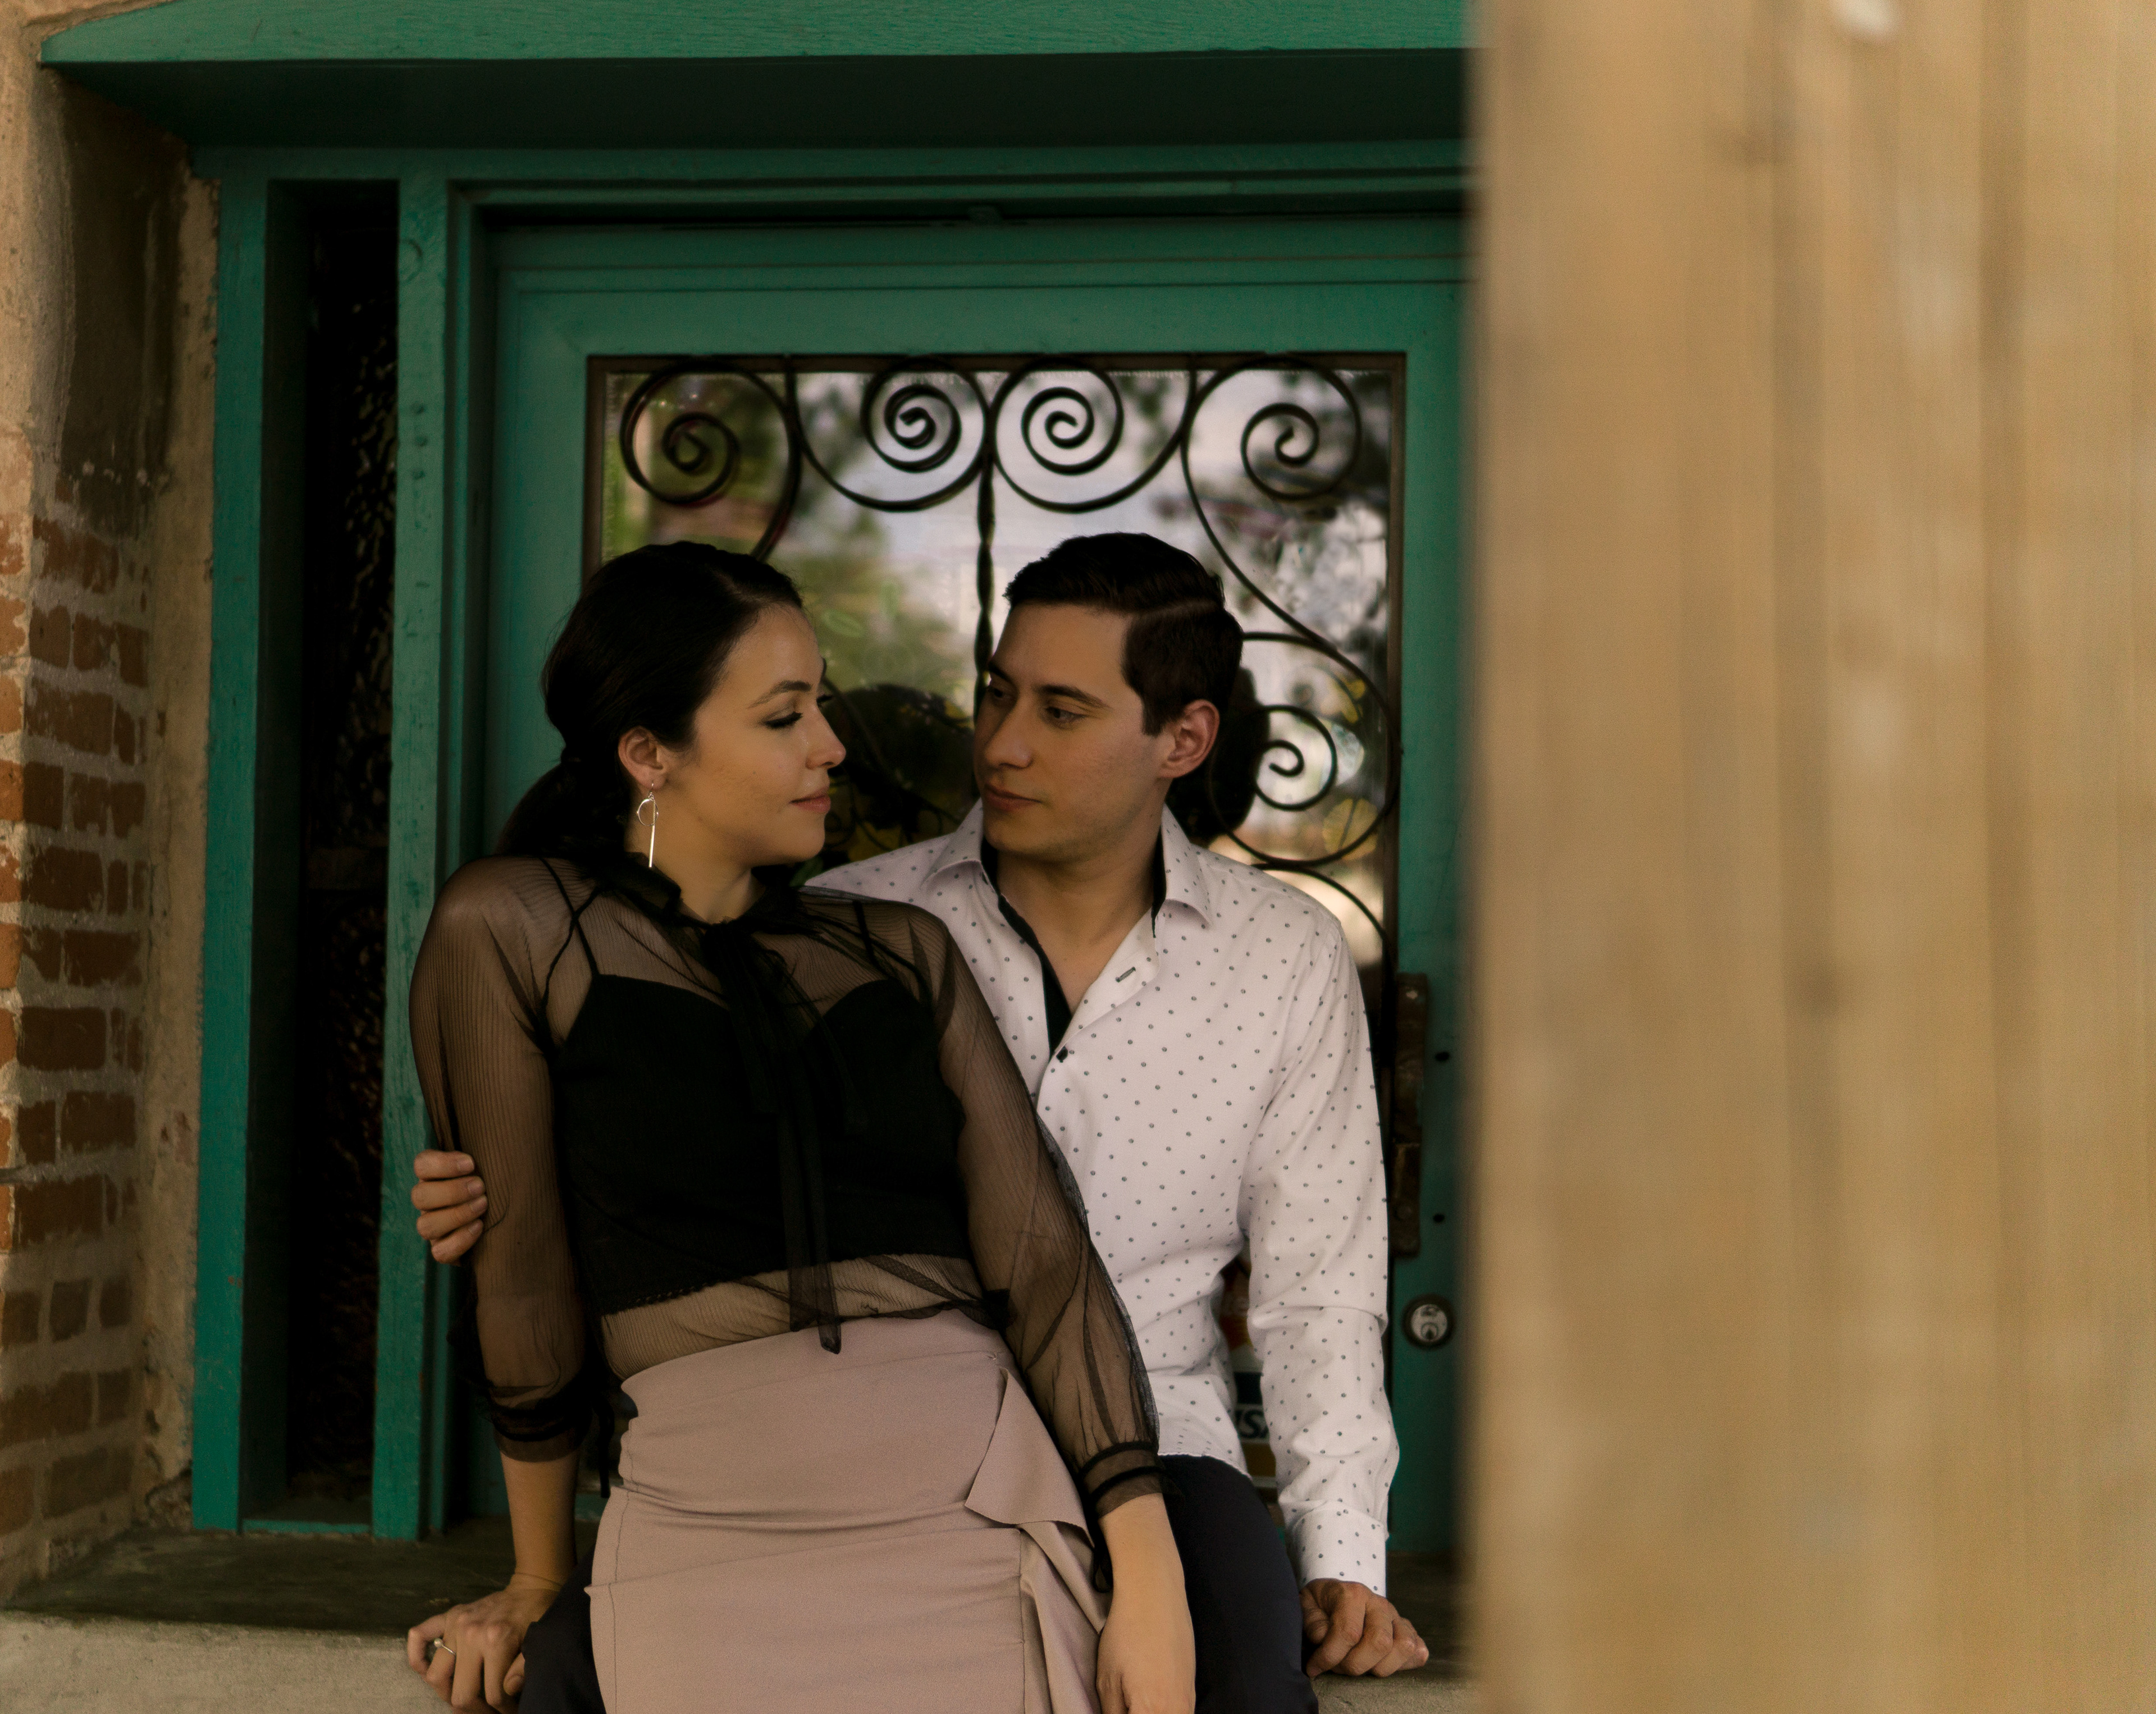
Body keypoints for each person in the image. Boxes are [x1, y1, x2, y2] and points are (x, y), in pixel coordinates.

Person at [415, 534, 1428, 1712]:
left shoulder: (1273, 954)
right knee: (567, 1677)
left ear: (1184, 741)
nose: (1000, 742)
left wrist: (1343, 1558)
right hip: (794, 1460)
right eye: (998, 693)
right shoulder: (848, 911)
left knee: (1246, 1682)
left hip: (1141, 1433)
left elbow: (1313, 1284)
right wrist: (501, 1186)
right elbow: (660, 1172)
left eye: (1059, 710)